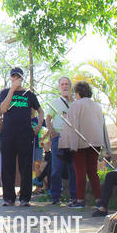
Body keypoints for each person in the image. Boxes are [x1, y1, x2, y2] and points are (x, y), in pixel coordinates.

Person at [0, 67, 43, 207]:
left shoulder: (29, 94)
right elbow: (3, 109)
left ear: (22, 78)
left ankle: (25, 198)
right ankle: (9, 198)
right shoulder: (4, 93)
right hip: (8, 134)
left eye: (18, 77)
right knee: (7, 166)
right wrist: (11, 90)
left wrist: (38, 127)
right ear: (10, 78)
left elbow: (40, 111)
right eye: (13, 76)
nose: (16, 79)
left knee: (26, 167)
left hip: (25, 134)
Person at [61, 80, 110, 210]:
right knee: (92, 171)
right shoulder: (97, 106)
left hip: (80, 142)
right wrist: (106, 145)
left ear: (77, 93)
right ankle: (99, 200)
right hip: (96, 142)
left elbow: (72, 125)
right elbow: (102, 125)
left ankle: (80, 200)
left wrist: (69, 144)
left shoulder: (76, 105)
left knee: (80, 171)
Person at [45, 75, 77, 205]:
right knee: (56, 168)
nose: (65, 86)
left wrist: (72, 101)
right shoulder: (54, 102)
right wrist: (52, 133)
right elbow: (47, 119)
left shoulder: (76, 103)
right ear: (59, 87)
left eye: (67, 84)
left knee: (73, 168)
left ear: (70, 87)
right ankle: (55, 196)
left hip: (73, 139)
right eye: (62, 84)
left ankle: (74, 197)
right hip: (58, 137)